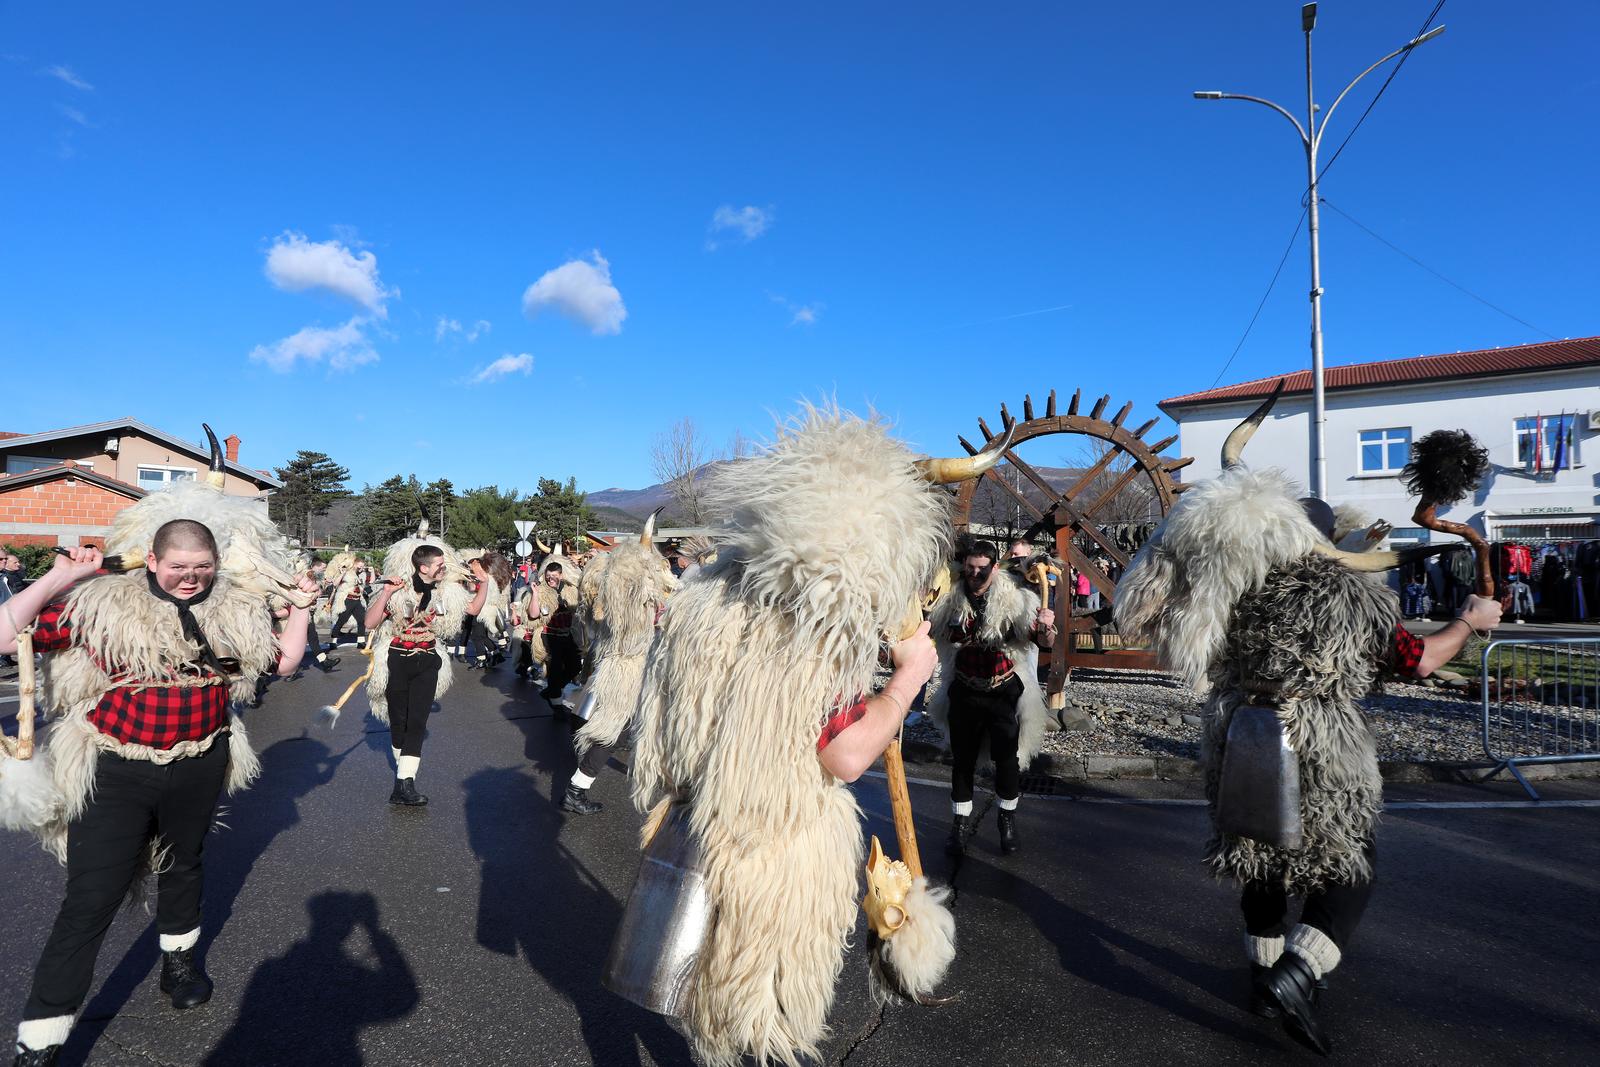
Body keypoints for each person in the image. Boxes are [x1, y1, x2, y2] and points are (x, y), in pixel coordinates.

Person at [1114, 399, 1503, 1056]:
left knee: (1259, 857)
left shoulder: (1237, 587)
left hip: (1238, 731)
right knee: (1351, 865)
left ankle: (1263, 976)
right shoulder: (1345, 593)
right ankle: (1296, 973)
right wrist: (1472, 620)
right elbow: (1419, 659)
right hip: (1316, 742)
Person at [626, 407, 993, 1066]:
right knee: (762, 1027)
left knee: (712, 1014)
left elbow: (657, 727)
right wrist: (908, 677)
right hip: (773, 862)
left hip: (692, 835)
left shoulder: (705, 596)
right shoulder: (812, 621)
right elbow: (846, 753)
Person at [1, 529, 318, 1066]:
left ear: (216, 563)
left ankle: (179, 961)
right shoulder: (104, 602)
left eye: (201, 567)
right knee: (90, 897)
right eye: (177, 566)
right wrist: (64, 576)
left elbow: (282, 663)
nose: (190, 577)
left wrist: (302, 611)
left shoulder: (235, 607)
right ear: (151, 560)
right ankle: (42, 1036)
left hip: (202, 761)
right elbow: (7, 638)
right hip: (115, 769)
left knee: (184, 865)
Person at [927, 539, 1055, 856]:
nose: (973, 574)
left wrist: (1046, 627)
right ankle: (959, 827)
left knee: (1007, 760)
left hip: (1003, 691)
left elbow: (1043, 640)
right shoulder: (950, 599)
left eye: (980, 570)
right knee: (962, 761)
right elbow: (930, 629)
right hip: (965, 690)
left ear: (994, 568)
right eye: (969, 568)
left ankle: (1006, 820)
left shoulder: (1015, 600)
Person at [364, 526, 486, 807]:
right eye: (440, 565)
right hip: (397, 659)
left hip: (428, 660)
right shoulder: (397, 592)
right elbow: (370, 623)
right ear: (423, 567)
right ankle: (402, 774)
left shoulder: (446, 593)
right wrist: (384, 593)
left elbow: (473, 610)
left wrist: (485, 584)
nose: (445, 568)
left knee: (418, 721)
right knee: (399, 723)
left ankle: (405, 783)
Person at [565, 516, 673, 815]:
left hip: (628, 669)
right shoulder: (630, 606)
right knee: (608, 734)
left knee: (632, 726)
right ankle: (576, 789)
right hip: (626, 673)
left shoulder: (624, 604)